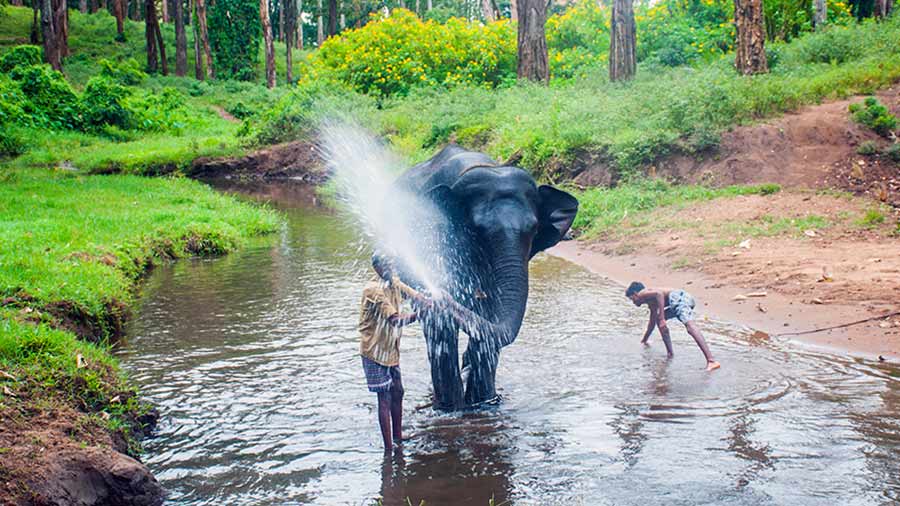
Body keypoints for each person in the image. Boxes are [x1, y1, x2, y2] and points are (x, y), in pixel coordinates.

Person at [359, 255, 432, 452]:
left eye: (392, 265)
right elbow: (395, 319)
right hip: (374, 352)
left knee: (398, 391)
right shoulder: (373, 290)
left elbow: (413, 294)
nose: (391, 270)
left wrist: (428, 300)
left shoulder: (393, 282)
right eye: (387, 267)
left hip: (390, 350)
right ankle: (388, 448)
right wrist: (419, 315)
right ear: (377, 268)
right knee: (384, 399)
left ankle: (398, 436)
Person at [625, 281, 721, 371]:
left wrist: (663, 318)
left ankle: (711, 361)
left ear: (635, 294)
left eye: (631, 299)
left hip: (679, 297)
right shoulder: (651, 302)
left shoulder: (643, 293)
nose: (633, 302)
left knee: (689, 326)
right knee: (658, 320)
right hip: (679, 300)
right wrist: (644, 340)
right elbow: (652, 323)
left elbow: (659, 294)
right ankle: (670, 353)